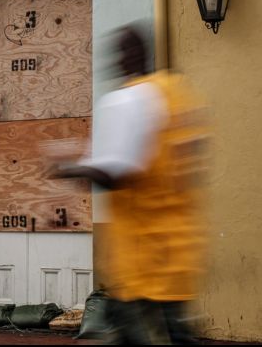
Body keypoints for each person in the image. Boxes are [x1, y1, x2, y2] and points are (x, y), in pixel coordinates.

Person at [50, 25, 209, 344]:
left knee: (131, 325)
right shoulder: (177, 93)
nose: (116, 61)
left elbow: (118, 175)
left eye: (120, 53)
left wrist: (69, 169)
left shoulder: (128, 100)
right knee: (172, 328)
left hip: (140, 249)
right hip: (177, 242)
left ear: (130, 56)